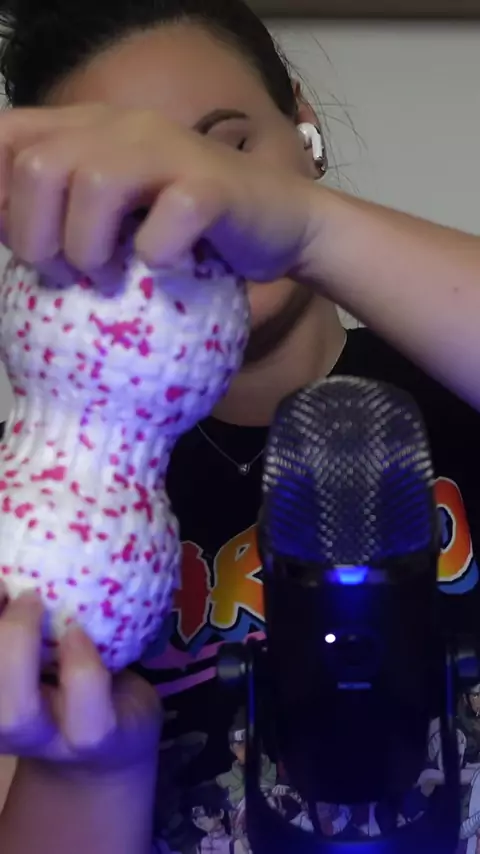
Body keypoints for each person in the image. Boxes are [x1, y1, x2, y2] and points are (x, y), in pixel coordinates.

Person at [0, 1, 479, 852]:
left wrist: (308, 228)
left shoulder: (455, 383)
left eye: (225, 149)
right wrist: (92, 769)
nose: (193, 210)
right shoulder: (40, 517)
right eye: (129, 195)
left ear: (302, 127)